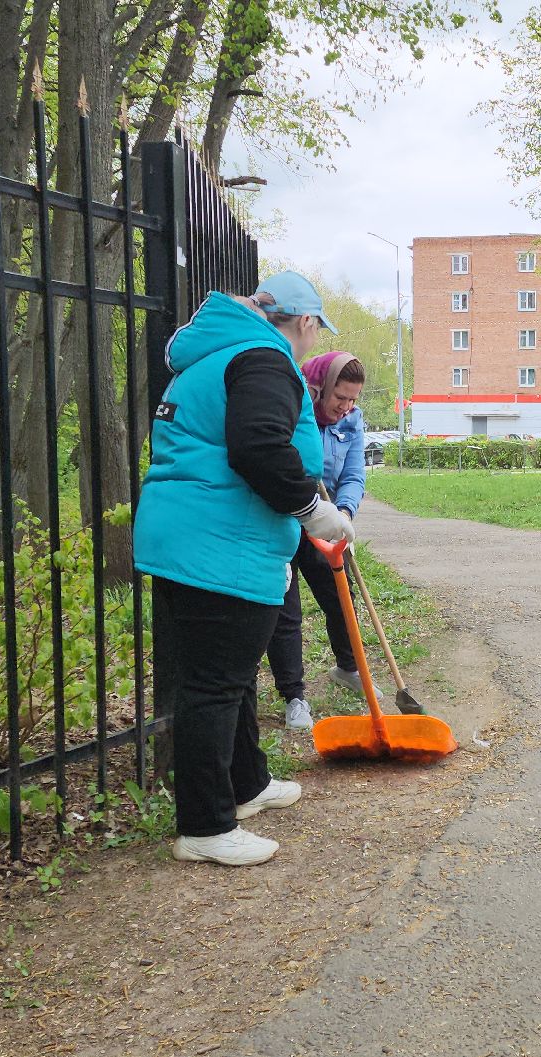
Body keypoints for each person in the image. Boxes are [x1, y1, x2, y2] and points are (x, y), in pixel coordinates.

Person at [134, 270, 352, 866]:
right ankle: (206, 826)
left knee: (229, 673)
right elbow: (258, 446)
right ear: (304, 322)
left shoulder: (215, 353)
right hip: (219, 539)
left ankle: (246, 783)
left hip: (193, 535)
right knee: (214, 684)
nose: (312, 341)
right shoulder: (263, 358)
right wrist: (312, 510)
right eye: (316, 330)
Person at [266, 351, 377, 730]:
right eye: (339, 397)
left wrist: (343, 513)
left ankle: (349, 668)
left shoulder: (352, 421)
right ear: (319, 388)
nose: (346, 407)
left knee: (340, 595)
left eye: (353, 400)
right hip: (284, 517)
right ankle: (293, 696)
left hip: (326, 520)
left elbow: (354, 473)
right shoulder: (293, 409)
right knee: (286, 610)